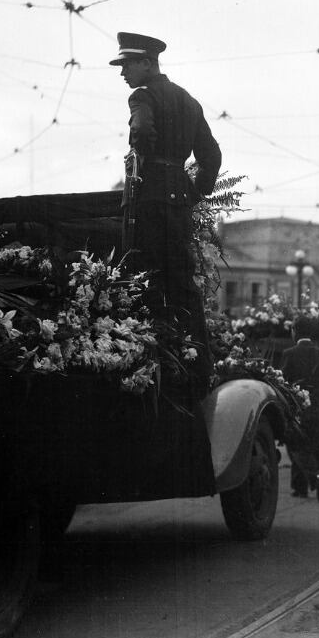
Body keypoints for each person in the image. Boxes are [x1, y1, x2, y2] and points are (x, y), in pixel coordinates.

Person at [111, 32, 222, 395]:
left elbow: (141, 130)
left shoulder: (142, 96)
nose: (123, 72)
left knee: (144, 280)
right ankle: (198, 369)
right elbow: (212, 155)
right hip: (177, 202)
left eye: (127, 64)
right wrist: (192, 190)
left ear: (146, 62)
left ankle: (150, 369)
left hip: (148, 201)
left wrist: (144, 161)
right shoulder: (189, 101)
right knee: (183, 285)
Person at [278, 316, 319, 502]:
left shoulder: (288, 353)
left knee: (295, 444)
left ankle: (315, 478)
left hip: (296, 408)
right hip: (318, 408)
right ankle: (299, 487)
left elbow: (282, 383)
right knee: (307, 444)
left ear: (295, 330)